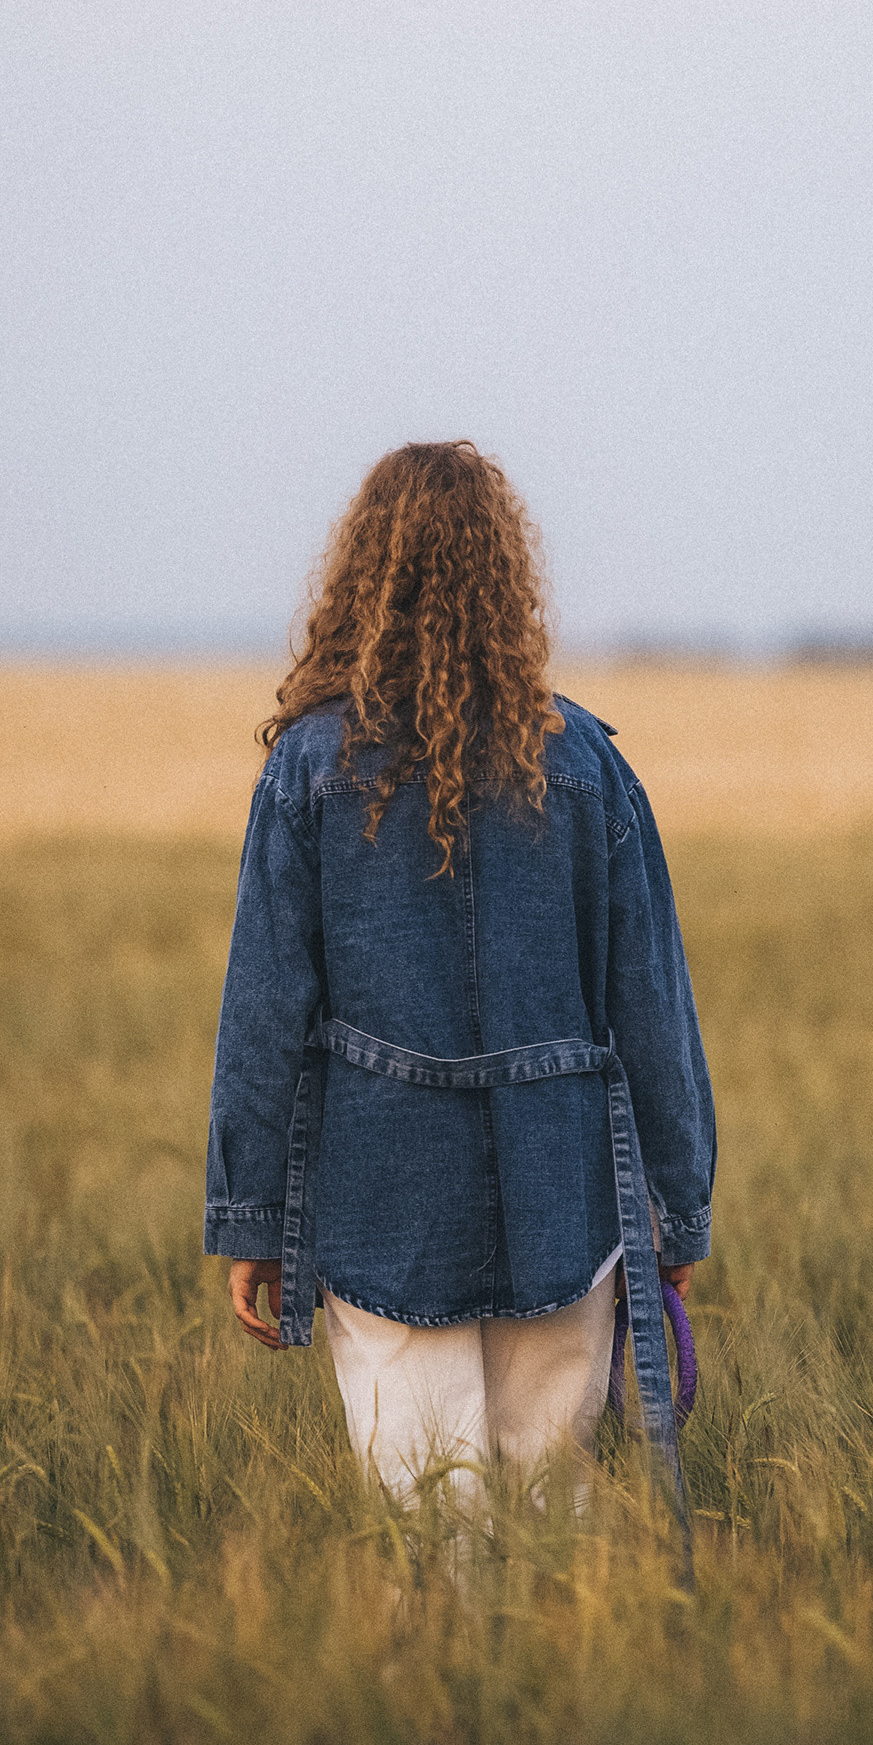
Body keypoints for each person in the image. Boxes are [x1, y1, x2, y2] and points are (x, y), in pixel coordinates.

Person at [204, 440, 715, 1515]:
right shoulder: (588, 766)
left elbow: (262, 1013)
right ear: (506, 579)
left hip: (380, 1203)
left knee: (425, 1523)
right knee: (552, 1518)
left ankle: (441, 1637)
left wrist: (251, 1221)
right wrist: (675, 1216)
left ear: (362, 577)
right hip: (564, 1197)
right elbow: (652, 1007)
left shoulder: (307, 770)